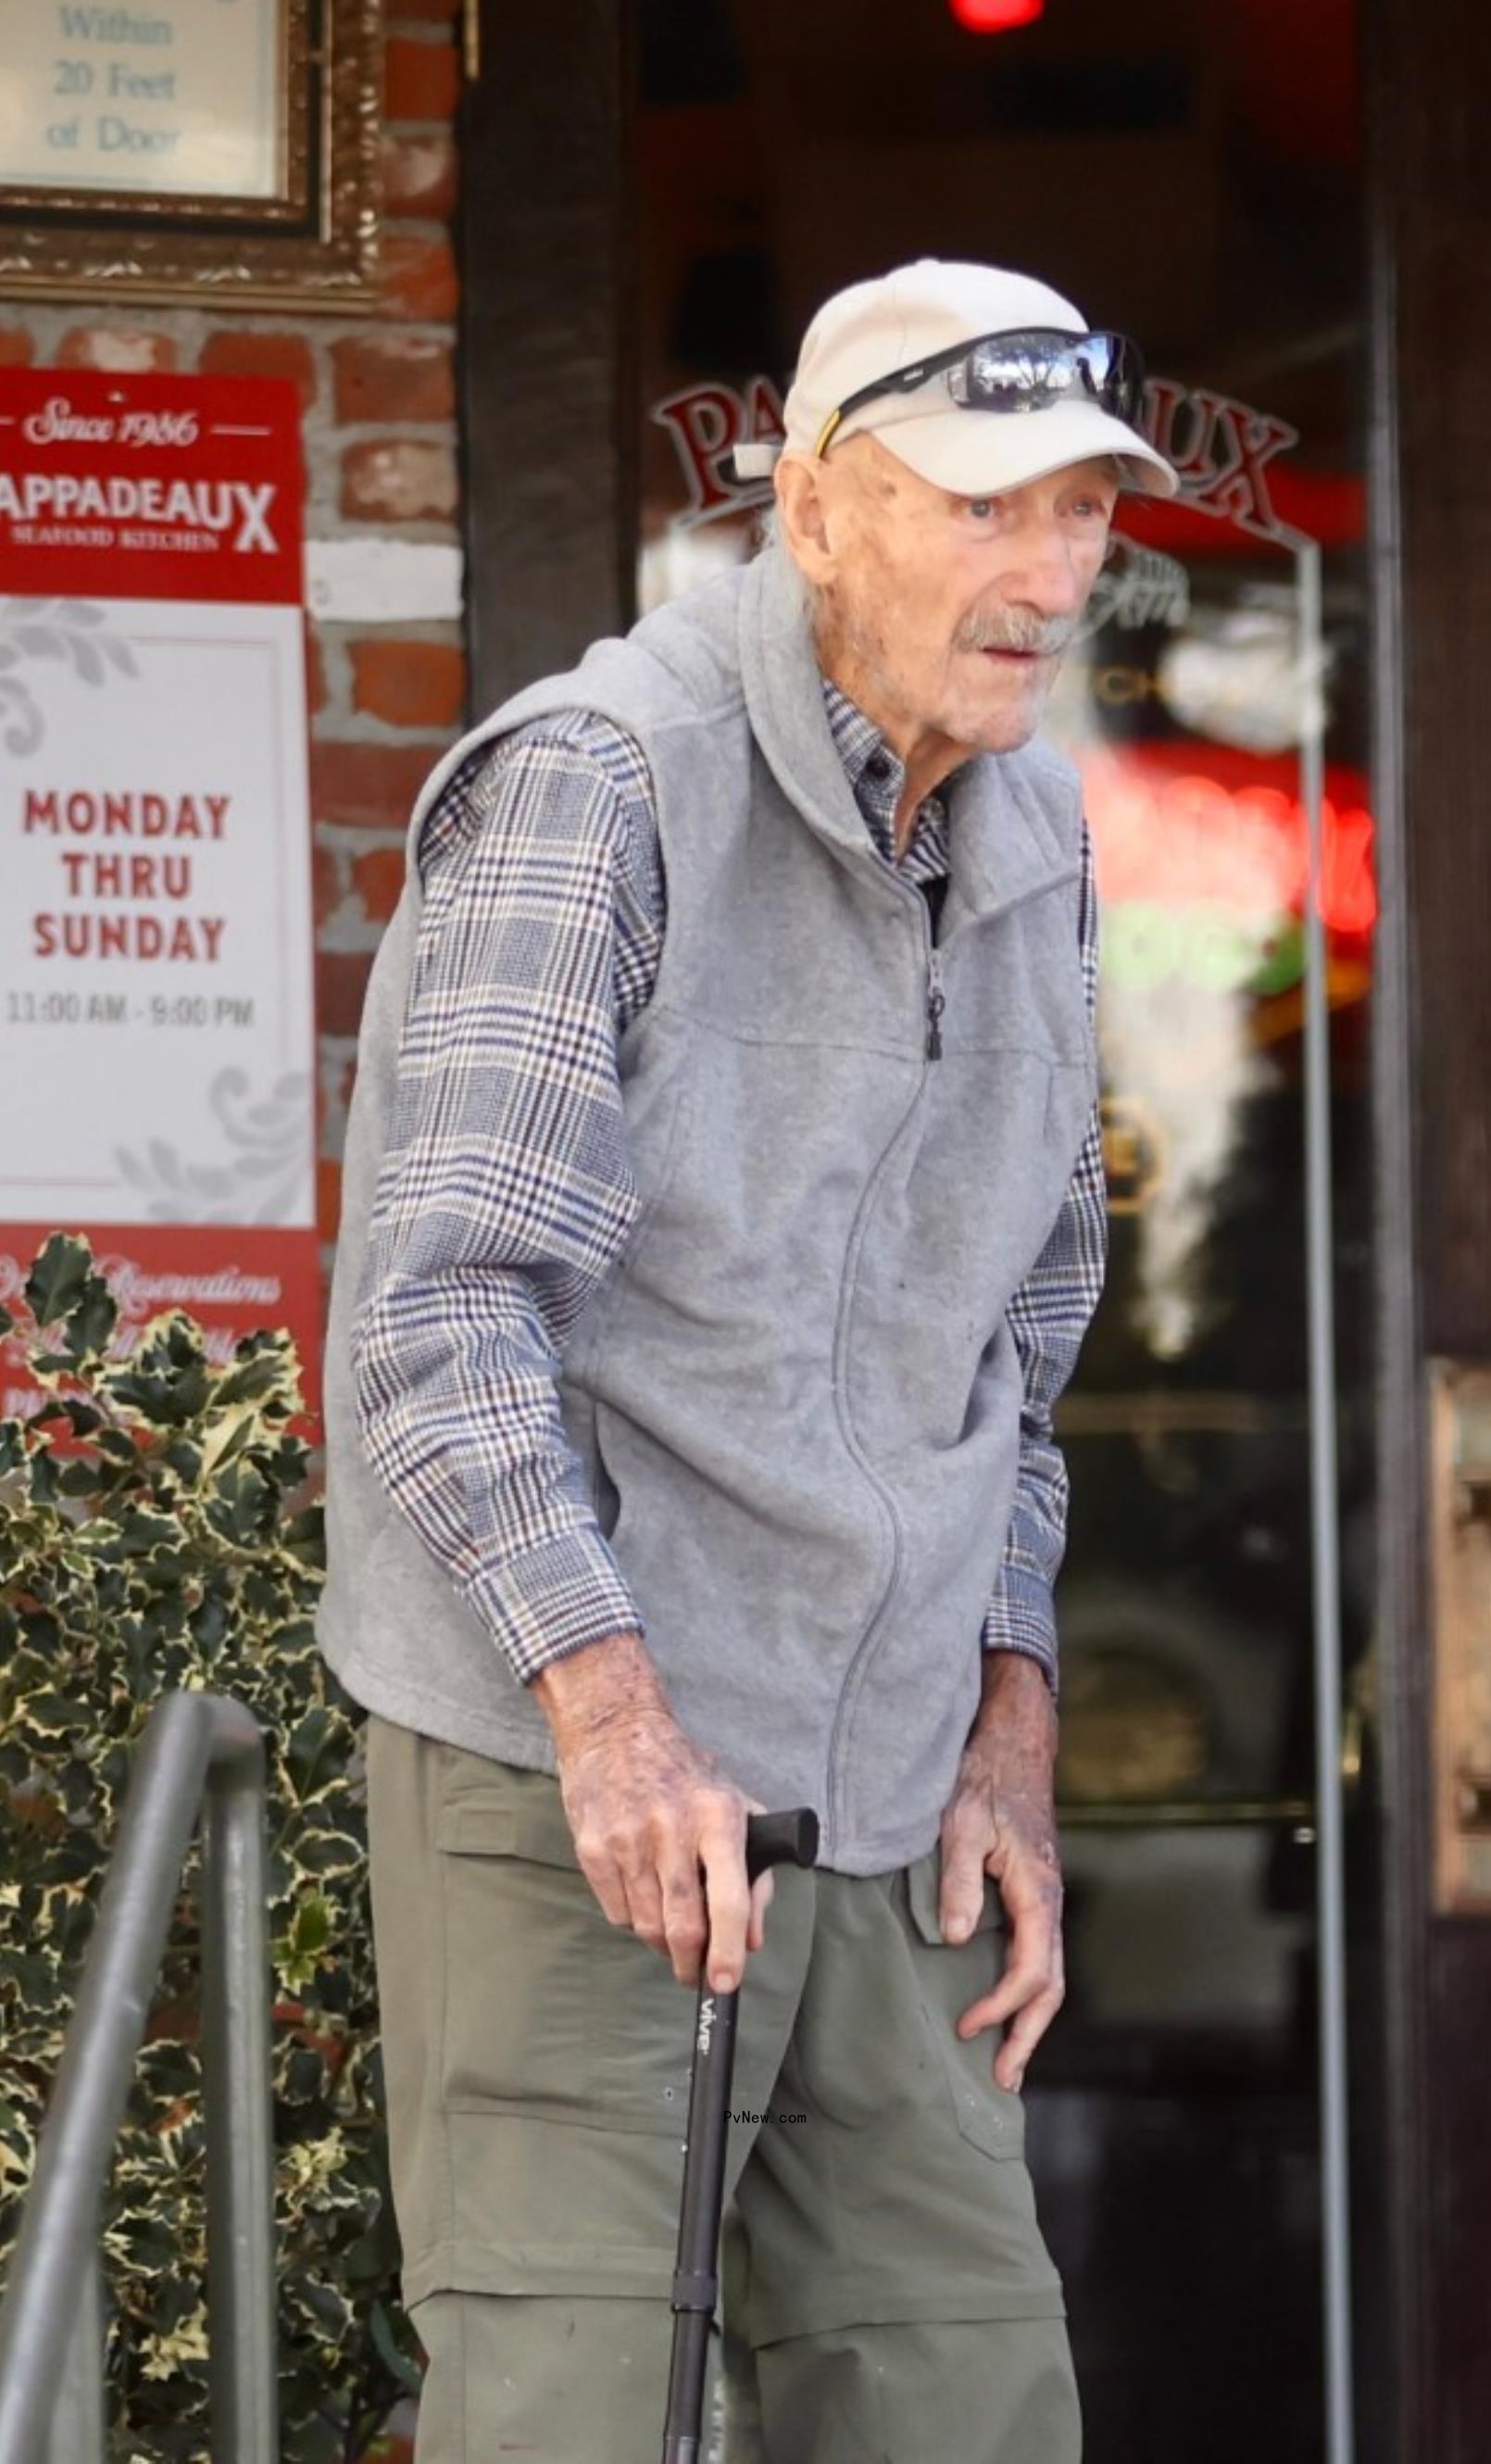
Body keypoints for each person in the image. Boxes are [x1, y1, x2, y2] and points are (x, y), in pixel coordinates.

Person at [316, 257, 1178, 2463]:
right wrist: (611, 1719)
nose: (1048, 572)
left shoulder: (1039, 833)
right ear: (809, 507)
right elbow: (446, 1311)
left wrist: (1009, 1717)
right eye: (982, 506)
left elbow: (1018, 1354)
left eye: (1080, 509)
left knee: (970, 2400)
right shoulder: (601, 785)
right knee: (576, 2418)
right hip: (577, 1778)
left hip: (887, 1795)